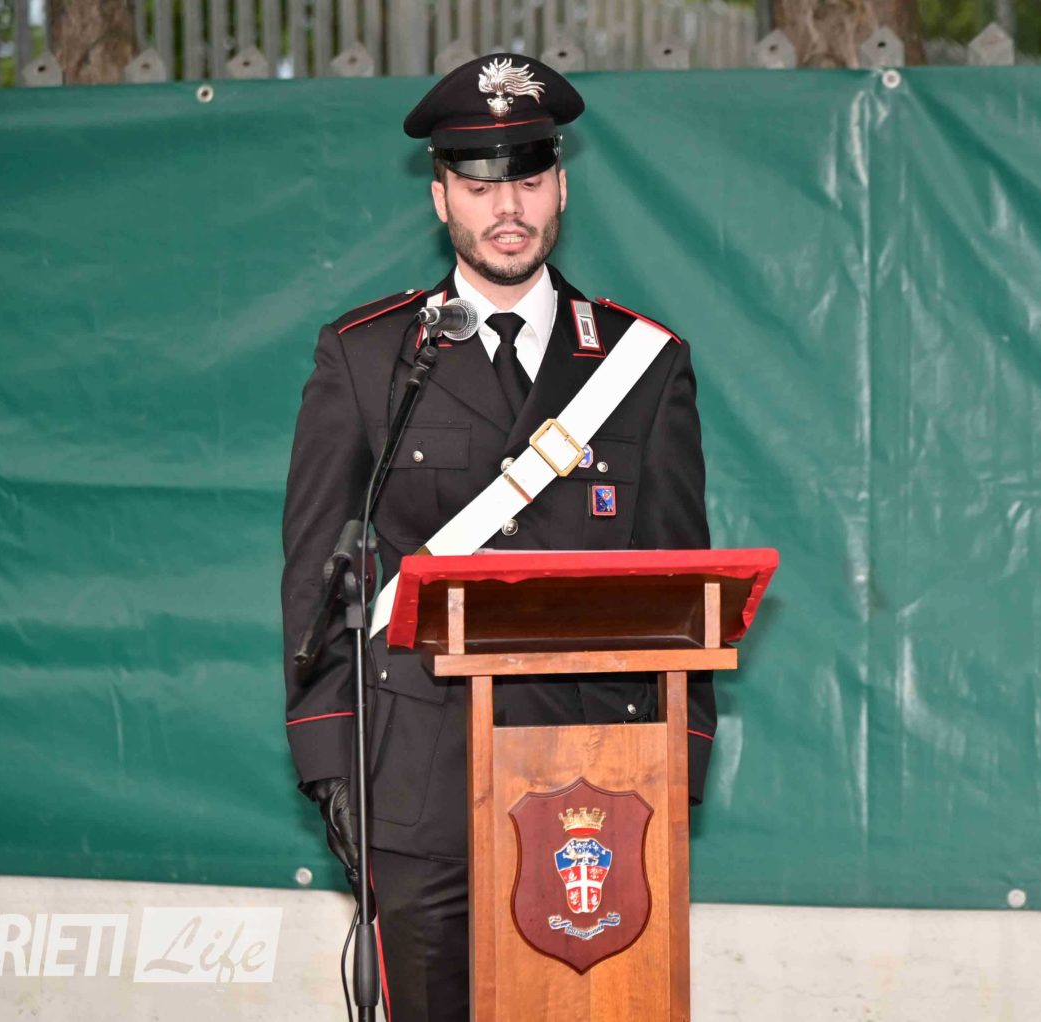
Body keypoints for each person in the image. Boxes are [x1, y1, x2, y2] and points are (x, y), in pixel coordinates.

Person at [279, 53, 715, 1021]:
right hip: (414, 776)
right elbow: (317, 577)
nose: (505, 207)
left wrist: (677, 762)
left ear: (560, 186)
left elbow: (682, 585)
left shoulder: (643, 363)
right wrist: (329, 761)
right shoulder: (367, 357)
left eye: (526, 178)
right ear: (441, 198)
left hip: (596, 778)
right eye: (478, 185)